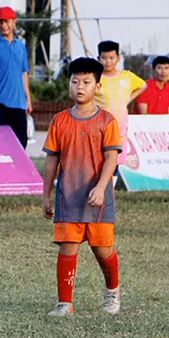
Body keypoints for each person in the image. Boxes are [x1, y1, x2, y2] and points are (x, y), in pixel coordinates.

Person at [41, 57, 122, 317]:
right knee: (68, 248)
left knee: (103, 249)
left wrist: (101, 187)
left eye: (86, 82)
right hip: (68, 197)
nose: (80, 86)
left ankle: (112, 292)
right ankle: (64, 303)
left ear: (97, 86)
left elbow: (111, 157)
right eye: (75, 81)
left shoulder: (107, 121)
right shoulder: (59, 121)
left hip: (98, 200)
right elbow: (52, 158)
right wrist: (46, 195)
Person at [0, 6, 31, 149]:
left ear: (13, 22)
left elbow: (24, 73)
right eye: (0, 22)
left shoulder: (20, 46)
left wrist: (28, 99)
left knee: (21, 143)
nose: (3, 25)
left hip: (19, 104)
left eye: (6, 21)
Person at [94, 40, 145, 147]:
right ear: (98, 58)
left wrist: (128, 99)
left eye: (111, 58)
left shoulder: (126, 76)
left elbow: (142, 85)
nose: (108, 61)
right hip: (99, 127)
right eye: (104, 58)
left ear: (118, 58)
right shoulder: (95, 78)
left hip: (120, 127)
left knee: (116, 159)